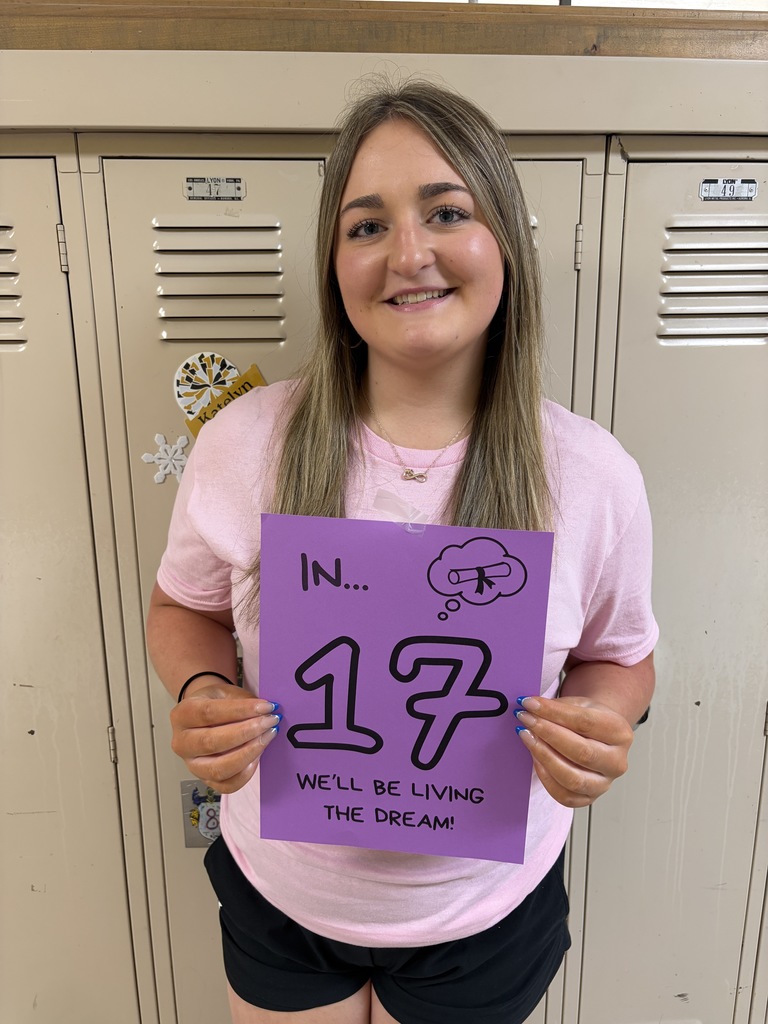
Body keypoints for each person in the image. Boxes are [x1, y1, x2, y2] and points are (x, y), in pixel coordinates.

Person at [146, 79, 657, 1024]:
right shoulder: (245, 444)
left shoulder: (593, 476)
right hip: (284, 900)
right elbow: (185, 607)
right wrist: (200, 692)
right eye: (366, 225)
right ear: (334, 263)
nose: (407, 254)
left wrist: (597, 724)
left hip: (485, 913)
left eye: (447, 211)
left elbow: (620, 655)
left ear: (504, 238)